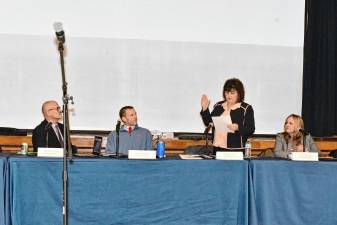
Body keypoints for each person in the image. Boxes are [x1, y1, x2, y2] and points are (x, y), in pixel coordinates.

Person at [200, 78, 255, 153]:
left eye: (232, 93)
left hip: (235, 150)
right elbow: (209, 123)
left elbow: (251, 129)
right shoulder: (219, 105)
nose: (229, 95)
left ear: (239, 93)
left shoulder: (246, 108)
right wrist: (205, 109)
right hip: (217, 148)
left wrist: (238, 127)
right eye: (227, 92)